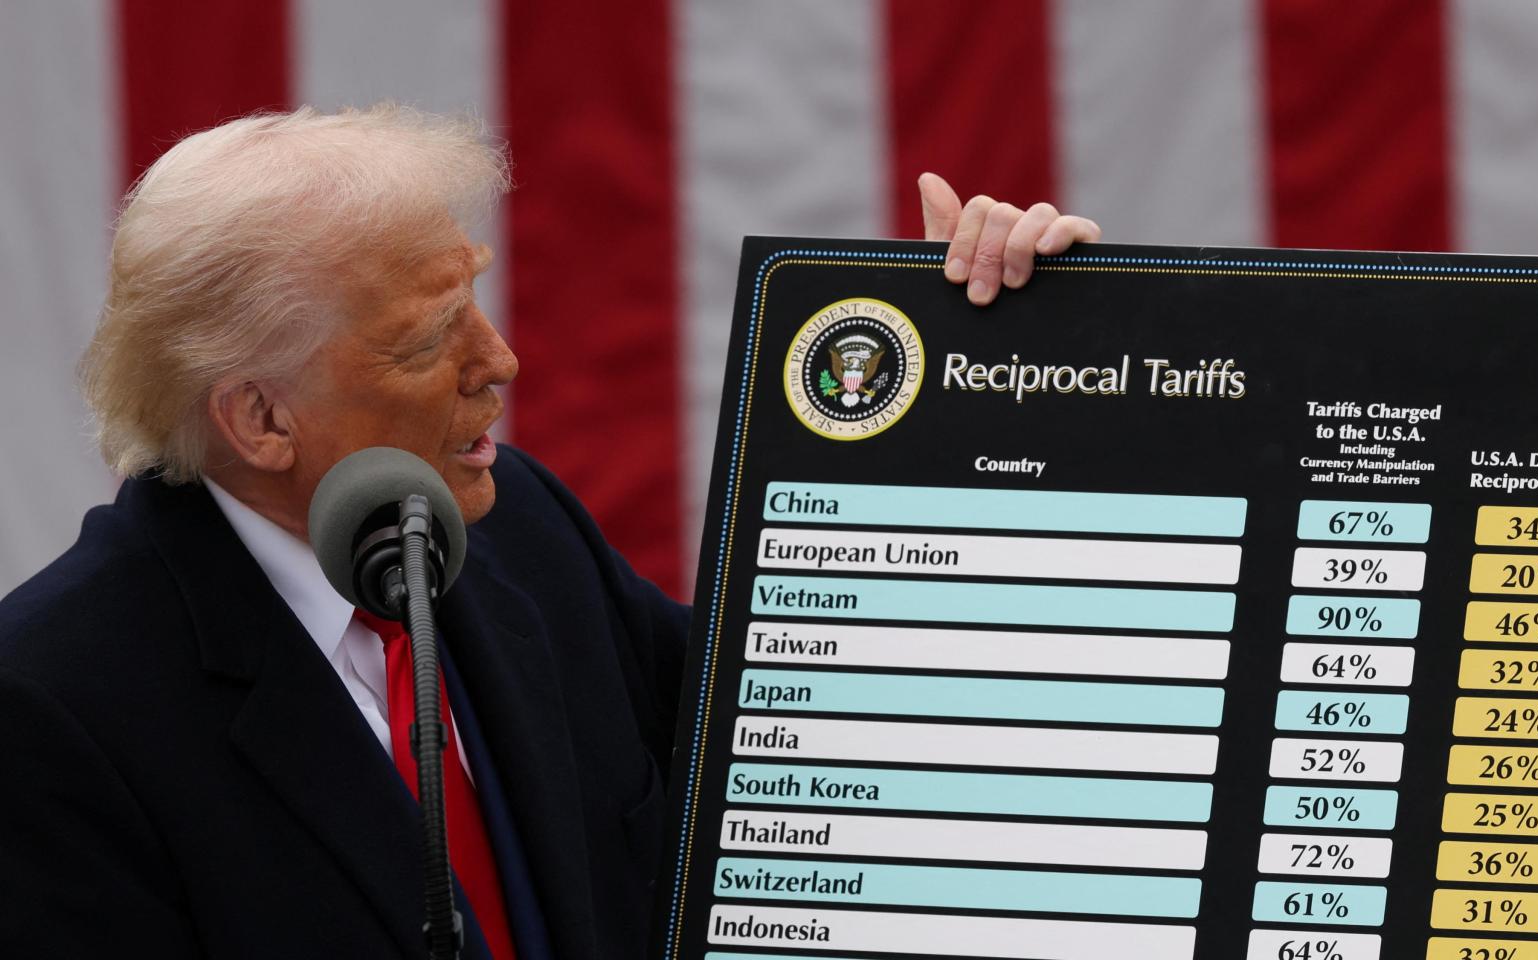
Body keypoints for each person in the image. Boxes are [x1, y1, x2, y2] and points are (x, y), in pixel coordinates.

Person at [0, 104, 1100, 958]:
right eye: (429, 338)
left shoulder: (514, 523)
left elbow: (800, 738)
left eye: (474, 301)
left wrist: (969, 390)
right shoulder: (52, 706)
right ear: (260, 419)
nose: (499, 362)